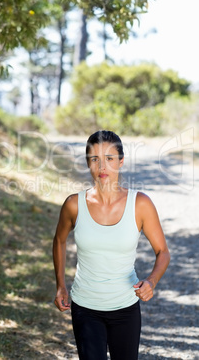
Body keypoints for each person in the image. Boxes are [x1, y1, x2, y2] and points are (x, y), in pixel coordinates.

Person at [52, 130, 170, 360]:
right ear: (88, 163)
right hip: (85, 307)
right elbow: (59, 240)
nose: (102, 166)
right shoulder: (74, 205)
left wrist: (151, 281)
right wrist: (60, 285)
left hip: (125, 307)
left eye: (109, 158)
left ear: (121, 161)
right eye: (94, 159)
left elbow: (163, 252)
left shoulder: (140, 204)